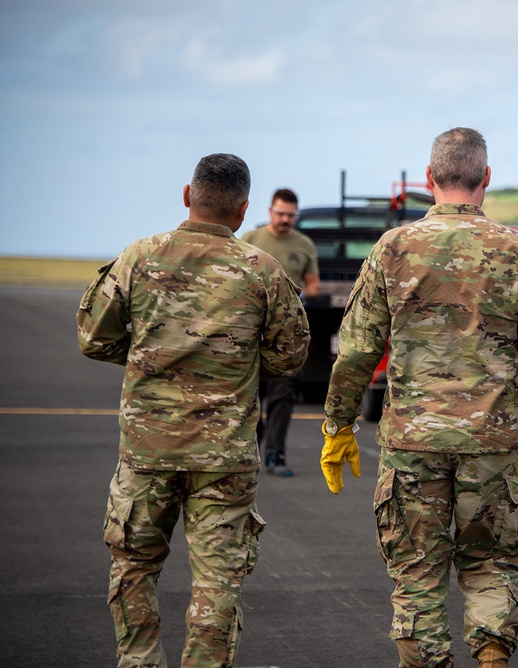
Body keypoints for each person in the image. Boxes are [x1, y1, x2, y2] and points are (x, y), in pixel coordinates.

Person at [319, 127, 518, 668]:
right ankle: (492, 658)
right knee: (490, 564)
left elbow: (358, 348)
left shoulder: (393, 248)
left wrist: (339, 424)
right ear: (486, 177)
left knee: (417, 571)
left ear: (430, 176)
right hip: (492, 442)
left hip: (413, 442)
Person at [78, 154, 311, 668]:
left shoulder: (140, 256)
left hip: (148, 450)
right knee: (218, 581)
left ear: (187, 195)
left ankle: (140, 660)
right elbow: (290, 357)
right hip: (224, 456)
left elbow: (94, 338)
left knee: (134, 567)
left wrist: (148, 354)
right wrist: (234, 362)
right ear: (245, 208)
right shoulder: (263, 270)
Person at [242, 188, 320, 476]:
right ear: (270, 212)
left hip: (287, 335)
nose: (286, 219)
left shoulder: (304, 244)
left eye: (291, 215)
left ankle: (276, 455)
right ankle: (250, 451)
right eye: (281, 213)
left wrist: (297, 298)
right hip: (252, 332)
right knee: (250, 395)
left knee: (283, 395)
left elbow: (313, 285)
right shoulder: (251, 240)